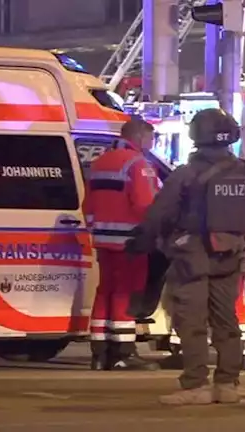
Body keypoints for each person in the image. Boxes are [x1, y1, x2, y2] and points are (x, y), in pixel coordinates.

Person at [125, 108, 245, 406]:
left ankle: (196, 384)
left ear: (197, 135)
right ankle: (227, 384)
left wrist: (141, 241)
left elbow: (161, 213)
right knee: (226, 321)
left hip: (192, 256)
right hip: (230, 253)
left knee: (191, 321)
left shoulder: (187, 174)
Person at [83, 118, 162, 371]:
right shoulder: (138, 164)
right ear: (139, 137)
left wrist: (96, 229)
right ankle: (123, 353)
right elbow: (146, 205)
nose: (152, 143)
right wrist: (155, 231)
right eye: (151, 138)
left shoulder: (100, 162)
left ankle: (99, 353)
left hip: (103, 240)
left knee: (105, 291)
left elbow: (88, 204)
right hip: (130, 240)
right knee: (126, 293)